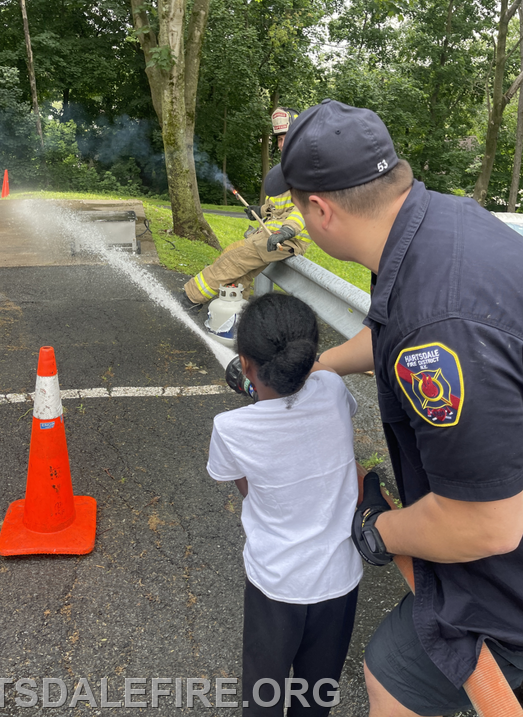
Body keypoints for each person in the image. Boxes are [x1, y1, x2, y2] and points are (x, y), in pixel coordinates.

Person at [272, 98, 523, 716]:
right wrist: (312, 367)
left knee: (394, 675)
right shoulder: (439, 228)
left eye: (298, 205)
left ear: (321, 210)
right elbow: (388, 333)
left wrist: (376, 533)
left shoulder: (437, 329)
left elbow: (485, 525)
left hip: (509, 571)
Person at [207, 292, 363, 716]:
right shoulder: (331, 387)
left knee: (263, 699)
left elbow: (246, 487)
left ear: (245, 365)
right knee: (316, 699)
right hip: (339, 579)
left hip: (276, 584)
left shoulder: (230, 427)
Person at [181, 108, 310, 311]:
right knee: (235, 261)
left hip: (287, 239)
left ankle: (189, 299)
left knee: (234, 260)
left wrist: (286, 231)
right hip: (270, 235)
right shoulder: (288, 167)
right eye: (279, 139)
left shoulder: (307, 169)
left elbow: (305, 209)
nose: (281, 143)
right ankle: (237, 316)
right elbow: (277, 206)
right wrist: (260, 211)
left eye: (286, 137)